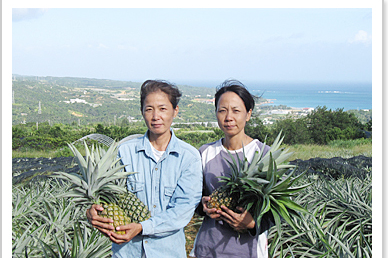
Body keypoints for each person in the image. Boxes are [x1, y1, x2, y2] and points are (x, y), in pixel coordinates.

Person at [86, 79, 203, 258]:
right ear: (142, 112)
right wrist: (94, 210)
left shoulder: (189, 157)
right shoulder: (123, 152)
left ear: (175, 111)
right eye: (149, 109)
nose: (156, 116)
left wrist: (142, 227)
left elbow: (182, 211)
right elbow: (108, 195)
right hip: (127, 253)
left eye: (163, 109)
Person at [192, 79, 274, 258]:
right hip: (208, 249)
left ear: (248, 114)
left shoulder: (263, 154)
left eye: (236, 111)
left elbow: (276, 211)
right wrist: (203, 207)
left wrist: (252, 224)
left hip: (249, 251)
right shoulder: (205, 152)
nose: (228, 117)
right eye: (222, 110)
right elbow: (195, 198)